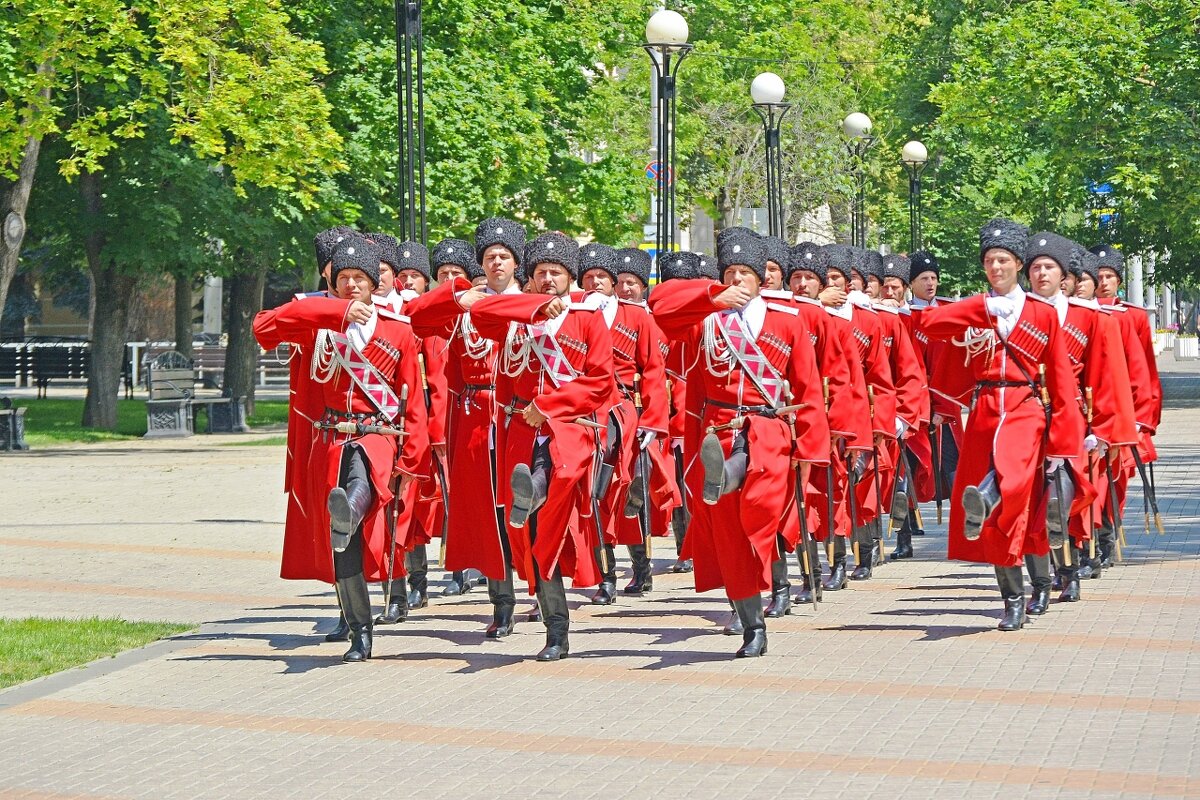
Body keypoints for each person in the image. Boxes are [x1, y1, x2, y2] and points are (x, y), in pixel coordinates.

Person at [649, 234, 830, 657]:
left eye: (744, 273)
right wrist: (712, 295)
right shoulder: (706, 322)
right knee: (731, 537)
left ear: (761, 279)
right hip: (718, 428)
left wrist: (808, 450)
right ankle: (753, 626)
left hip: (767, 430)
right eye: (729, 273)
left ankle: (725, 477)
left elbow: (808, 389)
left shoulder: (787, 321)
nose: (737, 280)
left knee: (761, 514)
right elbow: (659, 304)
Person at [254, 235, 430, 661]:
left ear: (374, 284)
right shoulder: (318, 322)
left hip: (379, 435)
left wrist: (412, 460)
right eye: (344, 278)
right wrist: (334, 310)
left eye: (360, 279)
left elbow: (415, 402)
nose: (352, 285)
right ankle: (360, 633)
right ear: (332, 284)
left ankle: (348, 507)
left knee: (361, 473)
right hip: (333, 436)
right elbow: (264, 326)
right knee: (344, 545)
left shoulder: (398, 331)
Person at [922, 219, 1083, 631]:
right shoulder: (977, 310)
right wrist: (982, 307)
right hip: (985, 407)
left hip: (1026, 404)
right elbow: (929, 324)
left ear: (1018, 265)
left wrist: (1065, 445)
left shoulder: (1041, 313)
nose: (996, 267)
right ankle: (1013, 597)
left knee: (1011, 478)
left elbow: (1062, 379)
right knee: (1004, 520)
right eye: (990, 261)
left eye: (1004, 260)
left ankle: (995, 505)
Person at [468, 231, 616, 660]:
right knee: (533, 533)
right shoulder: (519, 316)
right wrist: (528, 305)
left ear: (570, 277)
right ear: (529, 279)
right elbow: (478, 314)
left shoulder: (588, 318)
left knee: (549, 501)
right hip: (519, 431)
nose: (548, 279)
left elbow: (600, 381)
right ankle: (556, 631)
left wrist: (549, 405)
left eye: (556, 272)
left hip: (567, 428)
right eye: (540, 273)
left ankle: (530, 490)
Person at [404, 218, 528, 638]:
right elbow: (415, 316)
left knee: (523, 511)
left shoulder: (530, 304)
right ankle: (502, 603)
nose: (496, 262)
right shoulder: (465, 307)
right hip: (476, 419)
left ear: (516, 263)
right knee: (487, 516)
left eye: (504, 256)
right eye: (489, 256)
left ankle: (545, 595)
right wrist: (457, 295)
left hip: (517, 416)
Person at [1023, 236, 1137, 607]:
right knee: (1029, 503)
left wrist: (1102, 430)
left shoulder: (1088, 317)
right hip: (1027, 417)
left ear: (1065, 275)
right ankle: (1040, 580)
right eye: (1035, 267)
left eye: (1049, 268)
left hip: (1074, 420)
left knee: (1064, 501)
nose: (1042, 274)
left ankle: (1069, 572)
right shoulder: (1015, 312)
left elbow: (1105, 377)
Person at [577, 244, 675, 603]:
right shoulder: (575, 314)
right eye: (588, 277)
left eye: (602, 277)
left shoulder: (636, 317)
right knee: (594, 494)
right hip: (584, 411)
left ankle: (641, 566)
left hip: (622, 411)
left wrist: (653, 418)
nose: (596, 283)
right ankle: (605, 576)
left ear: (614, 282)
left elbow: (652, 369)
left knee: (627, 491)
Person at [1091, 244, 1162, 572]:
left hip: (1124, 411)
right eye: (1099, 276)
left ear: (1119, 280)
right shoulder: (1084, 312)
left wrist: (1142, 419)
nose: (1104, 282)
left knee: (1115, 479)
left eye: (1110, 276)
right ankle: (1090, 538)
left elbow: (1144, 368)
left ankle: (1107, 534)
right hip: (1091, 411)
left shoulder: (1132, 316)